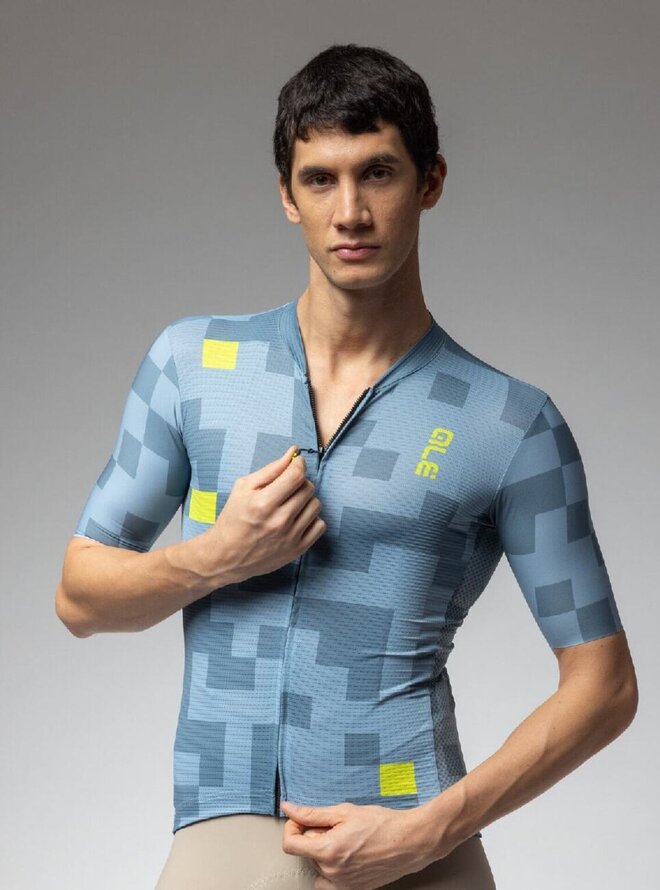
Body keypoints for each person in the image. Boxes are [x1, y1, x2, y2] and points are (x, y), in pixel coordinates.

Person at [55, 43, 638, 890]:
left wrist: (434, 829)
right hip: (224, 834)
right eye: (320, 179)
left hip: (415, 842)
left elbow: (606, 685)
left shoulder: (509, 422)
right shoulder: (194, 366)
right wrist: (216, 556)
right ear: (286, 196)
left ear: (431, 181)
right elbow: (79, 596)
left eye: (378, 173)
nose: (351, 212)